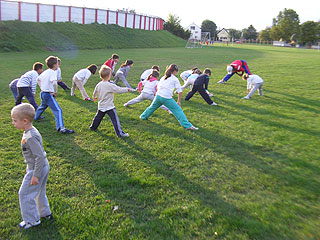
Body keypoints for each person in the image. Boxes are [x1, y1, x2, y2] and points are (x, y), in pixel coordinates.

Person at [11, 103, 52, 229]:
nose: (13, 123)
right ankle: (45, 213)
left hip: (37, 169)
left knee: (24, 194)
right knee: (39, 191)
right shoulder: (30, 131)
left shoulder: (30, 136)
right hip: (40, 166)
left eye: (14, 120)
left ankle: (32, 220)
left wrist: (35, 175)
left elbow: (39, 156)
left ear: (25, 121)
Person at [140, 64, 198, 131]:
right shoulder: (175, 79)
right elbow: (180, 91)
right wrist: (179, 102)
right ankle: (188, 126)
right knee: (178, 110)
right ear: (174, 71)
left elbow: (158, 87)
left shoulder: (164, 77)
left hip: (158, 96)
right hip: (166, 98)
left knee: (152, 107)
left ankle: (143, 116)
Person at [90, 66, 134, 137]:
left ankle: (93, 127)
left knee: (98, 118)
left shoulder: (99, 84)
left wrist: (94, 96)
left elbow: (95, 91)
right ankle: (120, 133)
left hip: (101, 106)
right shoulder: (110, 85)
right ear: (109, 76)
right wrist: (127, 89)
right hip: (109, 106)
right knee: (115, 121)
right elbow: (119, 90)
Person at [34, 56, 74, 134]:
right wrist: (55, 92)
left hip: (42, 93)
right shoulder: (53, 72)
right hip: (48, 94)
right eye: (58, 64)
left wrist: (42, 87)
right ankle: (61, 128)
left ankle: (36, 117)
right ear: (55, 65)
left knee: (43, 106)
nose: (58, 66)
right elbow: (55, 83)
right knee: (58, 110)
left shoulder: (46, 71)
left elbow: (38, 79)